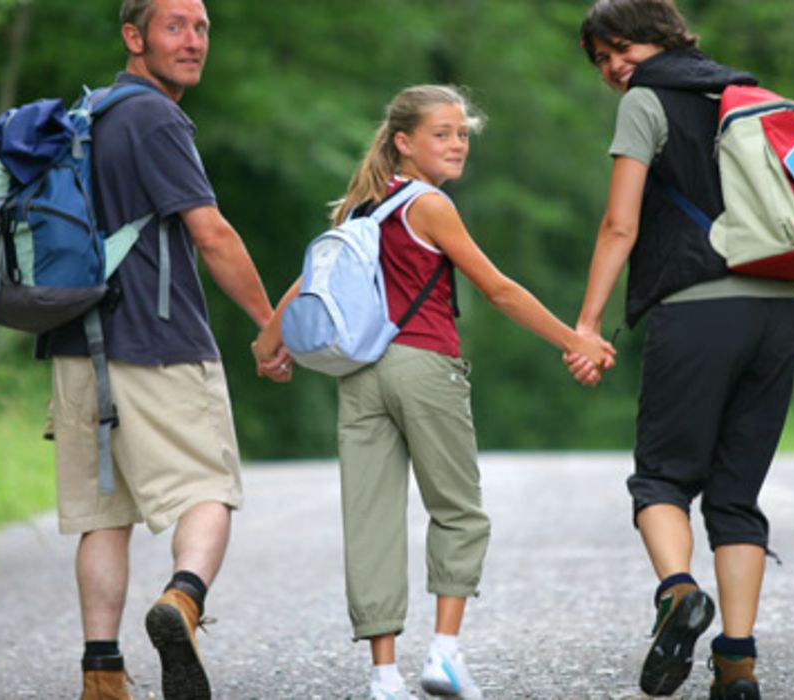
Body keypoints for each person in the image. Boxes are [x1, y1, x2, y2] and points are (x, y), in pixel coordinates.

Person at [252, 85, 615, 700]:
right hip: (424, 365)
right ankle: (444, 654)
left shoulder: (361, 205)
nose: (456, 145)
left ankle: (383, 677)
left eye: (462, 134)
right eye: (441, 134)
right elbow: (498, 289)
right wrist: (572, 340)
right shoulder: (430, 206)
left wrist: (268, 342)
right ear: (404, 143)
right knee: (457, 509)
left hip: (359, 376)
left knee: (370, 520)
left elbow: (309, 279)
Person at [39, 1, 291, 698]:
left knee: (102, 517)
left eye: (201, 27)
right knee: (209, 489)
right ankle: (181, 599)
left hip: (73, 342)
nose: (192, 40)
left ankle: (101, 674)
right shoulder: (155, 117)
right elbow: (210, 233)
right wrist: (270, 324)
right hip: (158, 342)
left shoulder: (86, 116)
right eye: (174, 26)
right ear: (133, 36)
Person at [564, 1, 794, 698]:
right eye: (599, 59)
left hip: (695, 309)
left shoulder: (647, 100)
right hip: (778, 311)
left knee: (661, 480)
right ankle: (736, 664)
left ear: (658, 36)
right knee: (735, 495)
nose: (612, 67)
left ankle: (677, 593)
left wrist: (588, 323)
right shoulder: (745, 94)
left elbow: (618, 224)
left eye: (618, 48)